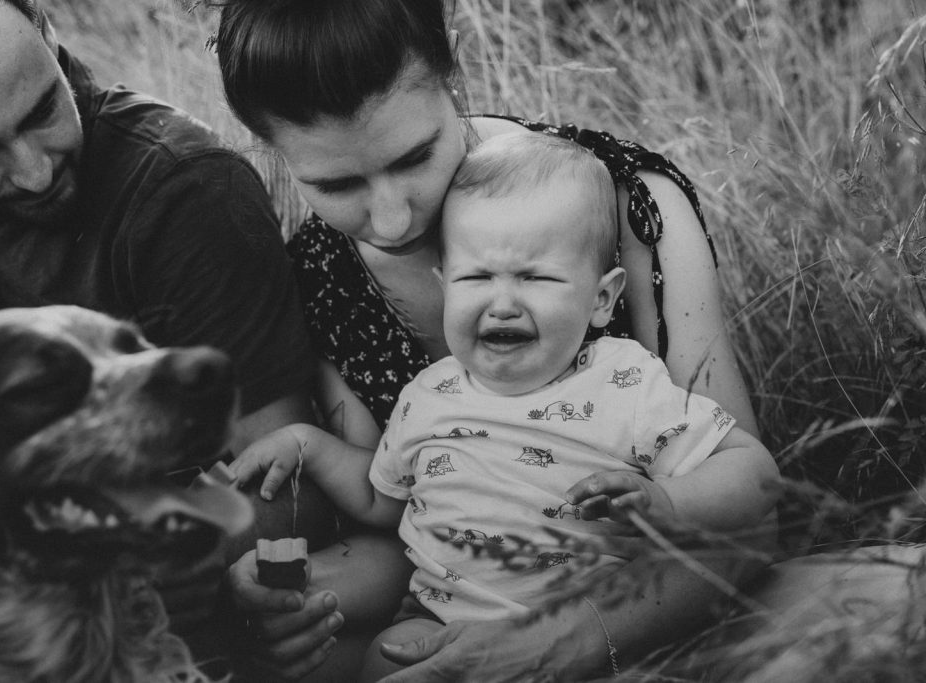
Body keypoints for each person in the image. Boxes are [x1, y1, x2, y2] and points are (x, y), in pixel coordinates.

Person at [212, 0, 775, 680]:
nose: (392, 219)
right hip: (450, 614)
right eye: (334, 184)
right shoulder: (322, 278)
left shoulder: (616, 203)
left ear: (455, 59)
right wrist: (297, 598)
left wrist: (559, 643)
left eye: (416, 155)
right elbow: (397, 526)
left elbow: (750, 523)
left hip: (648, 610)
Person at [0, 0, 316, 450]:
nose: (36, 173)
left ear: (47, 33)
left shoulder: (184, 191)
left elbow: (287, 492)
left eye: (42, 110)